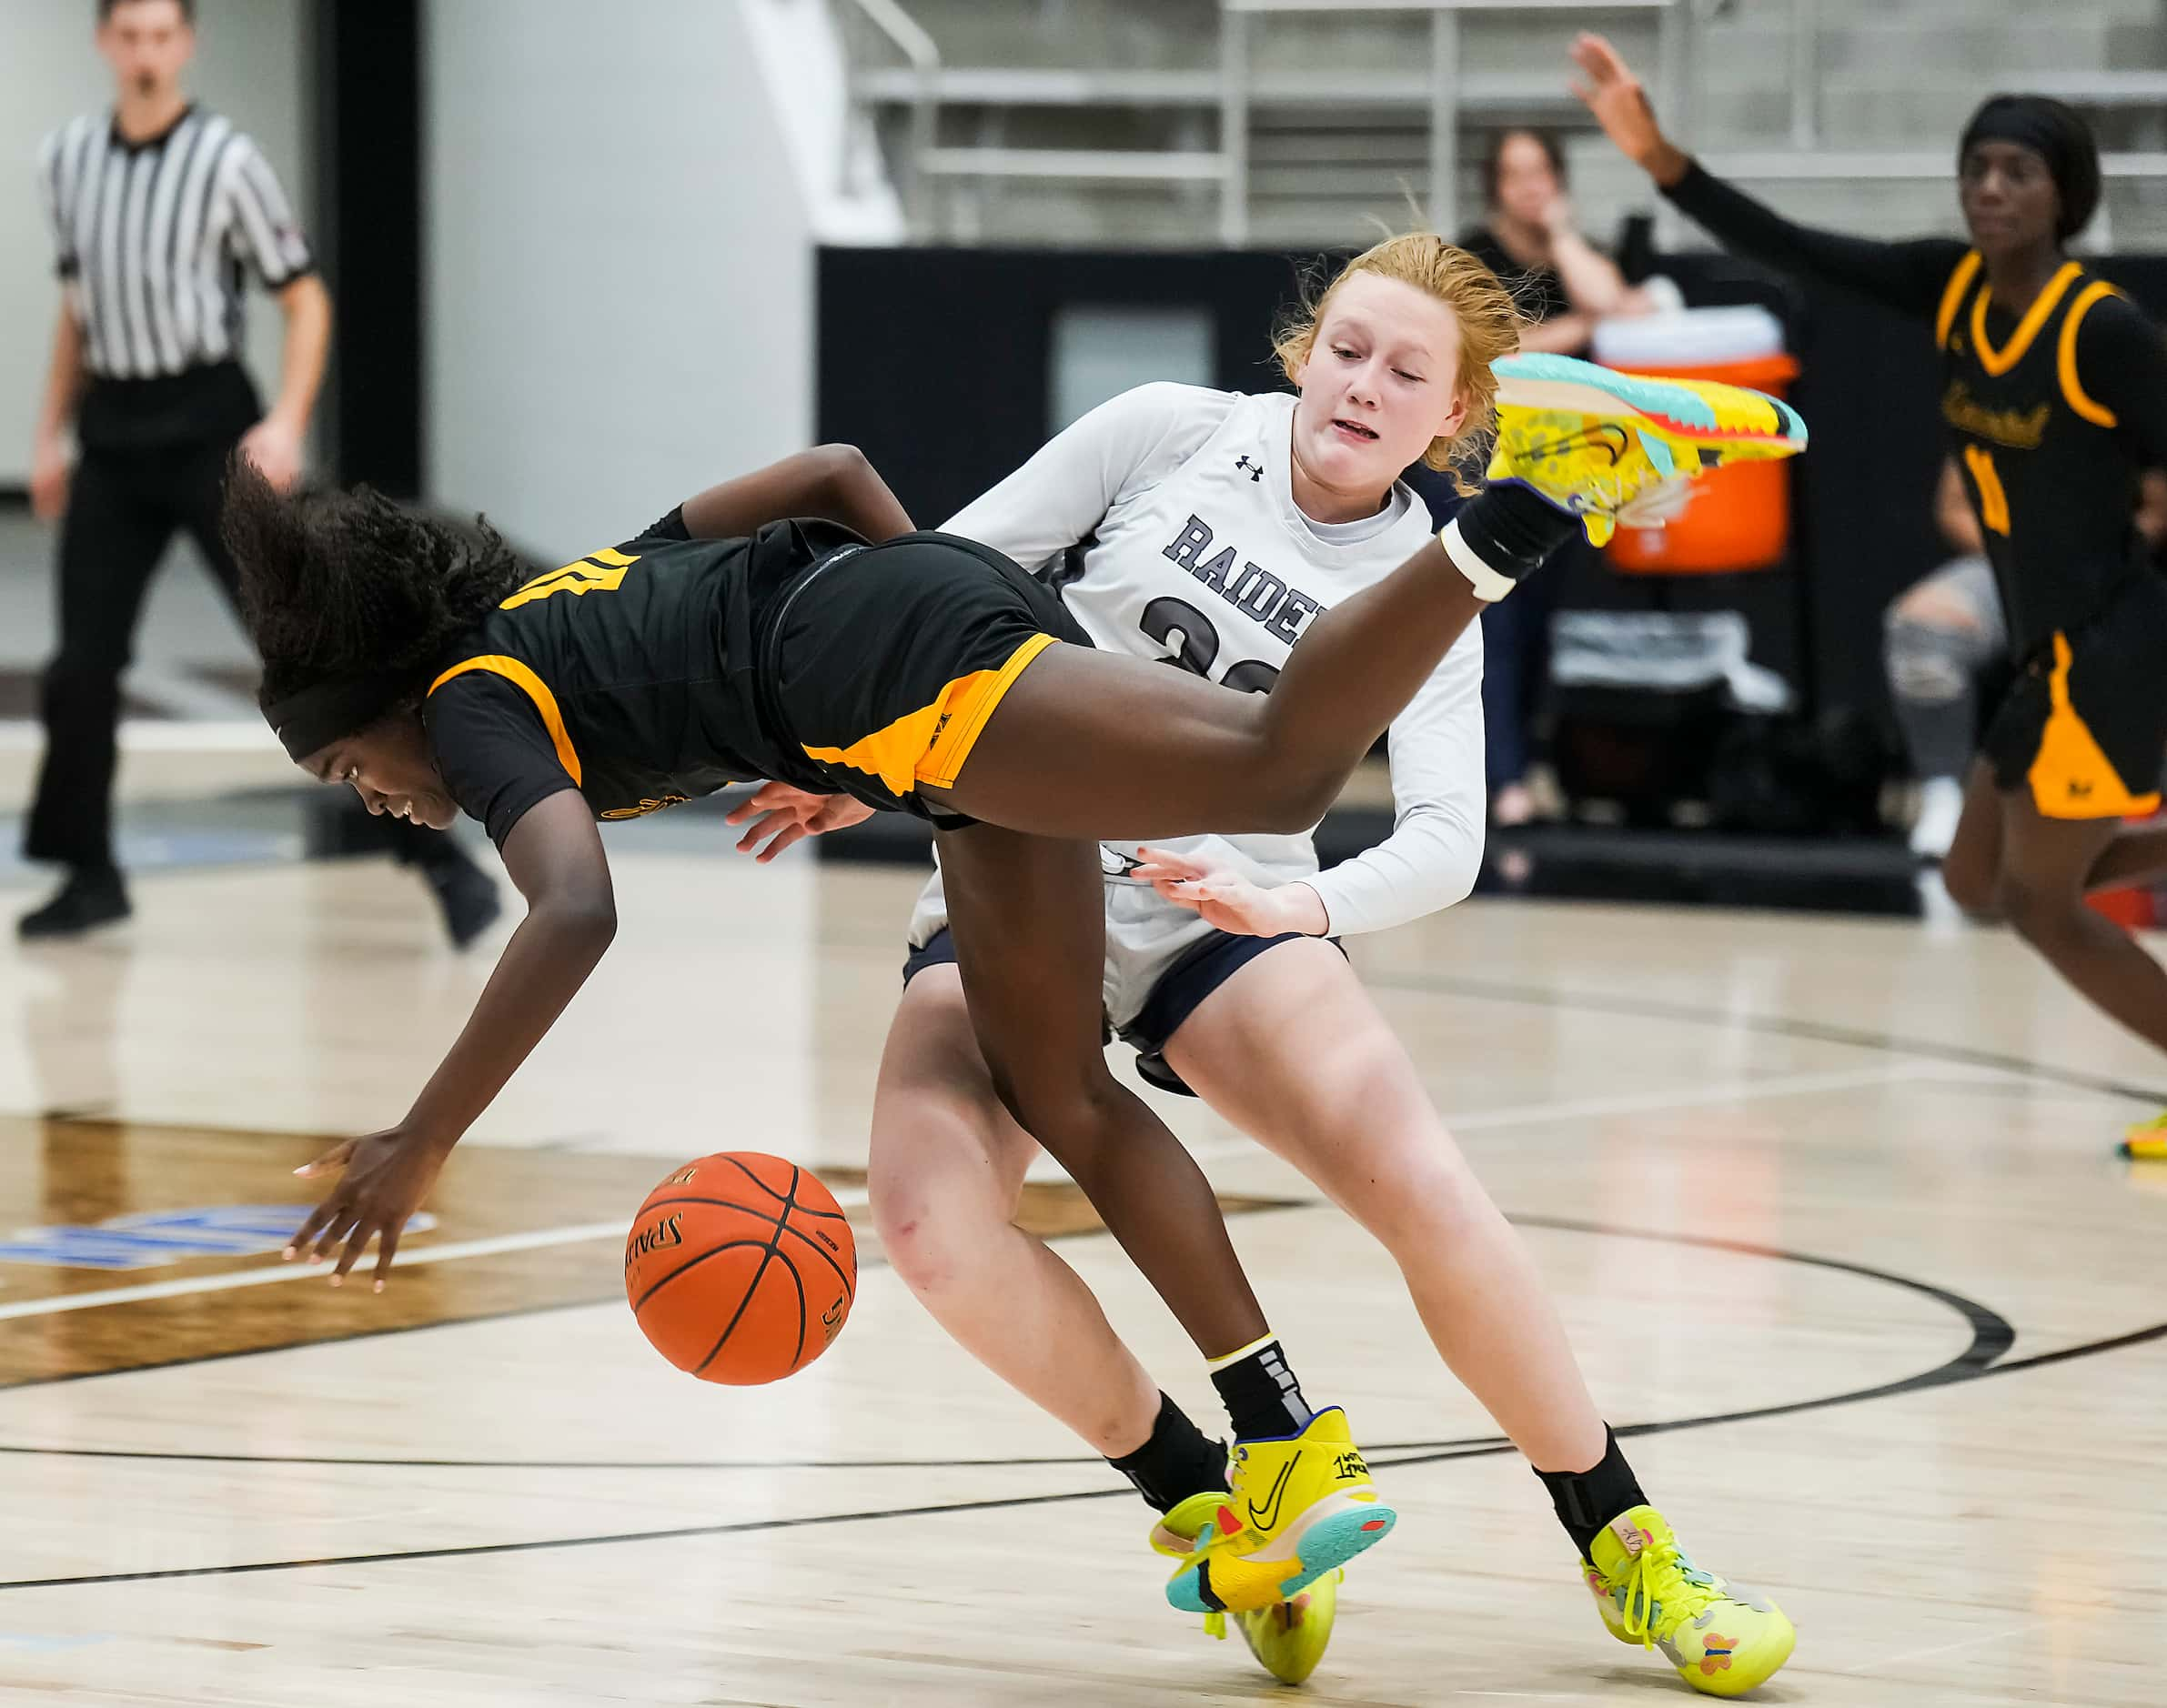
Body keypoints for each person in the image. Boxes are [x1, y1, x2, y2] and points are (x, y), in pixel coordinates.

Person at [222, 337, 1800, 1619]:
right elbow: (831, 474)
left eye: (353, 766)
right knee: (1056, 1078)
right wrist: (918, 644)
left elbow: (571, 909)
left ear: (393, 700)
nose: (372, 795)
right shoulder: (564, 600)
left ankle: (1526, 507)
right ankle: (1277, 1446)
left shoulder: (482, 703)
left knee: (1272, 773)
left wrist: (420, 1139)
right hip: (897, 685)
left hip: (891, 673)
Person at [726, 236, 1798, 1694]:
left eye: (1407, 372)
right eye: (1348, 347)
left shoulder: (1433, 582)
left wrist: (1297, 906)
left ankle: (1624, 1542)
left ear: (1458, 416)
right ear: (1304, 349)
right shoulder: (1161, 432)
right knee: (927, 1230)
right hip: (1011, 872)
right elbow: (936, 586)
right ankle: (1209, 1502)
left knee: (1422, 1183)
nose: (1364, 383)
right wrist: (860, 764)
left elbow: (1446, 841)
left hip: (1223, 917)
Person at [1572, 35, 2167, 1160]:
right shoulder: (1951, 289)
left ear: (2066, 195)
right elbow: (1796, 249)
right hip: (2043, 648)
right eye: (1977, 168)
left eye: (2018, 173)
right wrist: (1662, 162)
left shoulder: (2104, 331)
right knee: (1971, 874)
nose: (1991, 189)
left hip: (2113, 647)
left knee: (2044, 905)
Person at [22, 0, 499, 945]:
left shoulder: (226, 162)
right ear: (104, 43)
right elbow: (78, 310)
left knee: (305, 640)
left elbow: (305, 297)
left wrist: (284, 421)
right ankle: (87, 872)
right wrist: (48, 436)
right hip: (115, 431)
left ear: (187, 43)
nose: (148, 54)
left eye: (164, 36)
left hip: (209, 423)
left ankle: (440, 856)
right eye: (131, 36)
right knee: (81, 666)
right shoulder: (66, 160)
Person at [1453, 130, 1661, 826]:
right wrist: (1586, 327)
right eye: (1515, 174)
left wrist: (1564, 233)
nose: (1530, 186)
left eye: (1541, 172)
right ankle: (1500, 776)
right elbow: (1500, 349)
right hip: (1489, 458)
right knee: (1497, 622)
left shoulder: (1576, 252)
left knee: (1545, 621)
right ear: (1494, 184)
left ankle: (1528, 766)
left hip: (1566, 459)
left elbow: (1628, 311)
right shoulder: (1471, 255)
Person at [1890, 461, 2167, 861]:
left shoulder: (2128, 408)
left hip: (2117, 569)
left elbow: (2155, 513)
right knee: (1981, 886)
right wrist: (2027, 564)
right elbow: (1953, 507)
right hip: (2012, 566)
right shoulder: (1986, 403)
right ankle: (1946, 796)